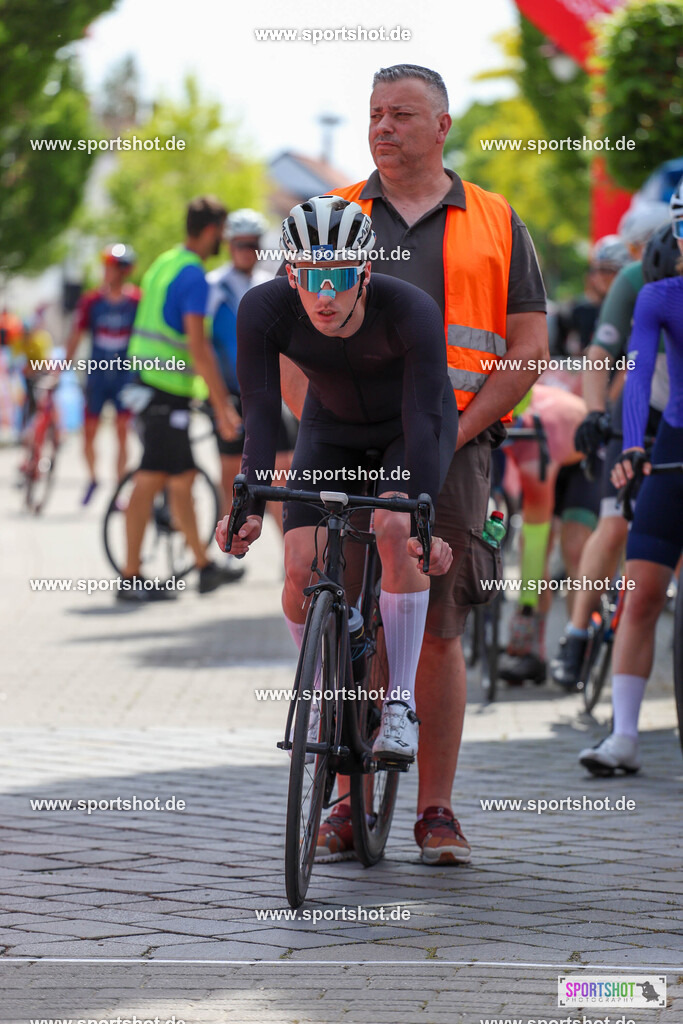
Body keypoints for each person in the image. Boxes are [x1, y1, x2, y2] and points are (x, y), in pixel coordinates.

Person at [277, 64, 548, 865]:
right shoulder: (334, 215)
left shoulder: (498, 221)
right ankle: (340, 801)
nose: (381, 127)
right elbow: (288, 339)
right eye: (372, 114)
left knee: (433, 623)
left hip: (457, 437)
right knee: (339, 604)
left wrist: (458, 430)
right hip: (345, 436)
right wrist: (313, 421)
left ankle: (434, 810)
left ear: (442, 126)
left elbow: (527, 348)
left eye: (400, 114)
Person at [216, 194, 458, 774]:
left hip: (409, 426)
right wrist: (247, 500)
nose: (324, 296)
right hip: (331, 429)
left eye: (340, 277)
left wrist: (421, 519)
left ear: (365, 272)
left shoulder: (411, 309)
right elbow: (260, 409)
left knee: (394, 528)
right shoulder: (263, 307)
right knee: (300, 565)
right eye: (309, 277)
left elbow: (425, 416)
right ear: (290, 273)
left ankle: (398, 704)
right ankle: (331, 691)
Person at [579, 184, 683, 775]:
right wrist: (633, 445)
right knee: (642, 588)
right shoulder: (655, 287)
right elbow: (636, 370)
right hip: (671, 433)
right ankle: (623, 735)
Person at [551, 214, 674, 689]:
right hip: (640, 411)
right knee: (614, 520)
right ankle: (577, 633)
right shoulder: (632, 278)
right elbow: (600, 356)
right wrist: (594, 412)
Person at [120, 196, 241, 601]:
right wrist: (222, 405)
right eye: (223, 232)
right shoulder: (192, 275)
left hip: (150, 384)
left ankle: (202, 566)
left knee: (180, 479)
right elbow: (198, 345)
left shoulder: (164, 261)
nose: (223, 239)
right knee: (153, 479)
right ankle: (131, 576)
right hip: (165, 391)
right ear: (212, 231)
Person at [496, 383, 602, 686]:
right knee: (532, 546)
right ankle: (533, 655)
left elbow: (538, 527)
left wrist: (524, 611)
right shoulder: (515, 418)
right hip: (550, 451)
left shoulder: (531, 438)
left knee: (573, 547)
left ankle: (577, 643)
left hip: (584, 460)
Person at [207, 209, 296, 560]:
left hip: (270, 392)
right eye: (242, 244)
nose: (249, 251)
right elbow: (201, 347)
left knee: (281, 475)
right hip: (231, 392)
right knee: (232, 476)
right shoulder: (213, 286)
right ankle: (229, 545)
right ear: (230, 245)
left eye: (255, 245)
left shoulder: (268, 283)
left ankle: (290, 551)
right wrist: (218, 402)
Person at [64, 245, 140, 504]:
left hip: (124, 377)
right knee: (89, 433)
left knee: (122, 431)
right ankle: (93, 478)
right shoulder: (91, 302)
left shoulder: (137, 301)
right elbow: (77, 336)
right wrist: (62, 367)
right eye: (106, 265)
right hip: (97, 377)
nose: (108, 271)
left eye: (113, 266)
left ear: (125, 270)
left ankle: (119, 489)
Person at [556, 236, 631, 357]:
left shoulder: (634, 311)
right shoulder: (581, 311)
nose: (600, 276)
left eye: (607, 269)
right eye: (596, 269)